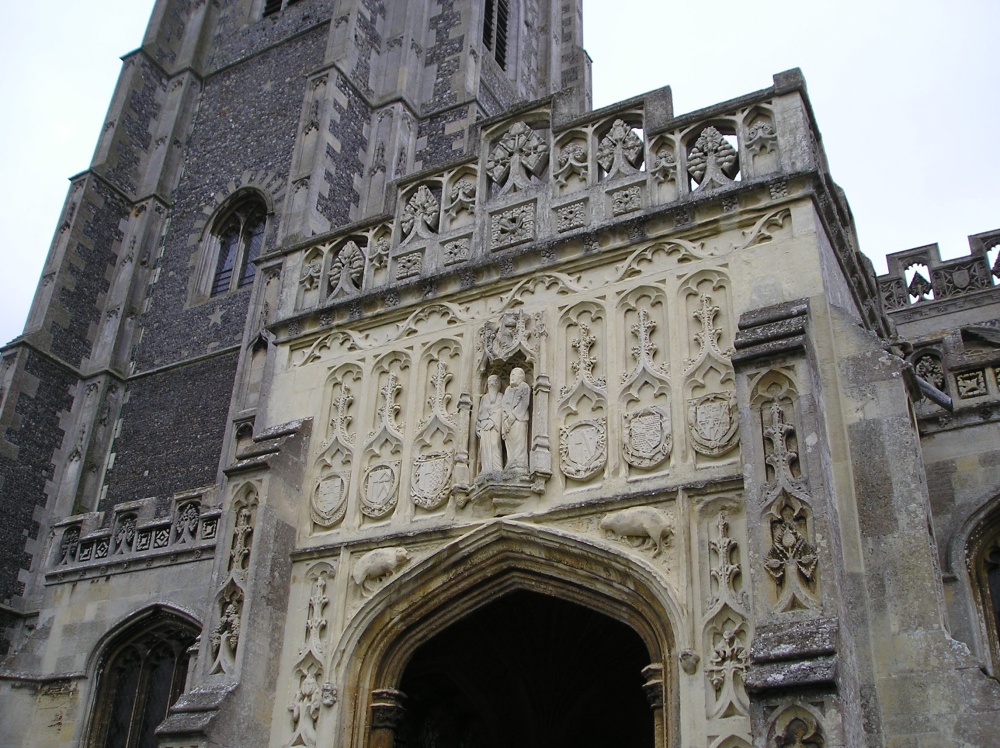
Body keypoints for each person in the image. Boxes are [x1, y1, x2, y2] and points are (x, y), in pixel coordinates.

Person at [501, 367, 531, 471]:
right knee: (510, 443)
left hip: (519, 419)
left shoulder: (524, 387)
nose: (511, 376)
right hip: (508, 421)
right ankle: (510, 462)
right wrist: (505, 419)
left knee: (519, 441)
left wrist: (513, 415)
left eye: (514, 374)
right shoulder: (508, 390)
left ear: (521, 377)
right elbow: (504, 404)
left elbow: (524, 403)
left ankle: (520, 464)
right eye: (511, 375)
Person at [476, 375, 503, 474]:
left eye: (494, 381)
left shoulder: (500, 396)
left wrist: (492, 421)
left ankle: (497, 468)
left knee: (495, 444)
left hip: (494, 425)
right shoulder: (484, 398)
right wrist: (478, 426)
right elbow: (480, 412)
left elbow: (500, 411)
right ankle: (486, 469)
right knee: (484, 448)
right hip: (484, 426)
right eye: (490, 381)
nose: (492, 383)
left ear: (498, 384)